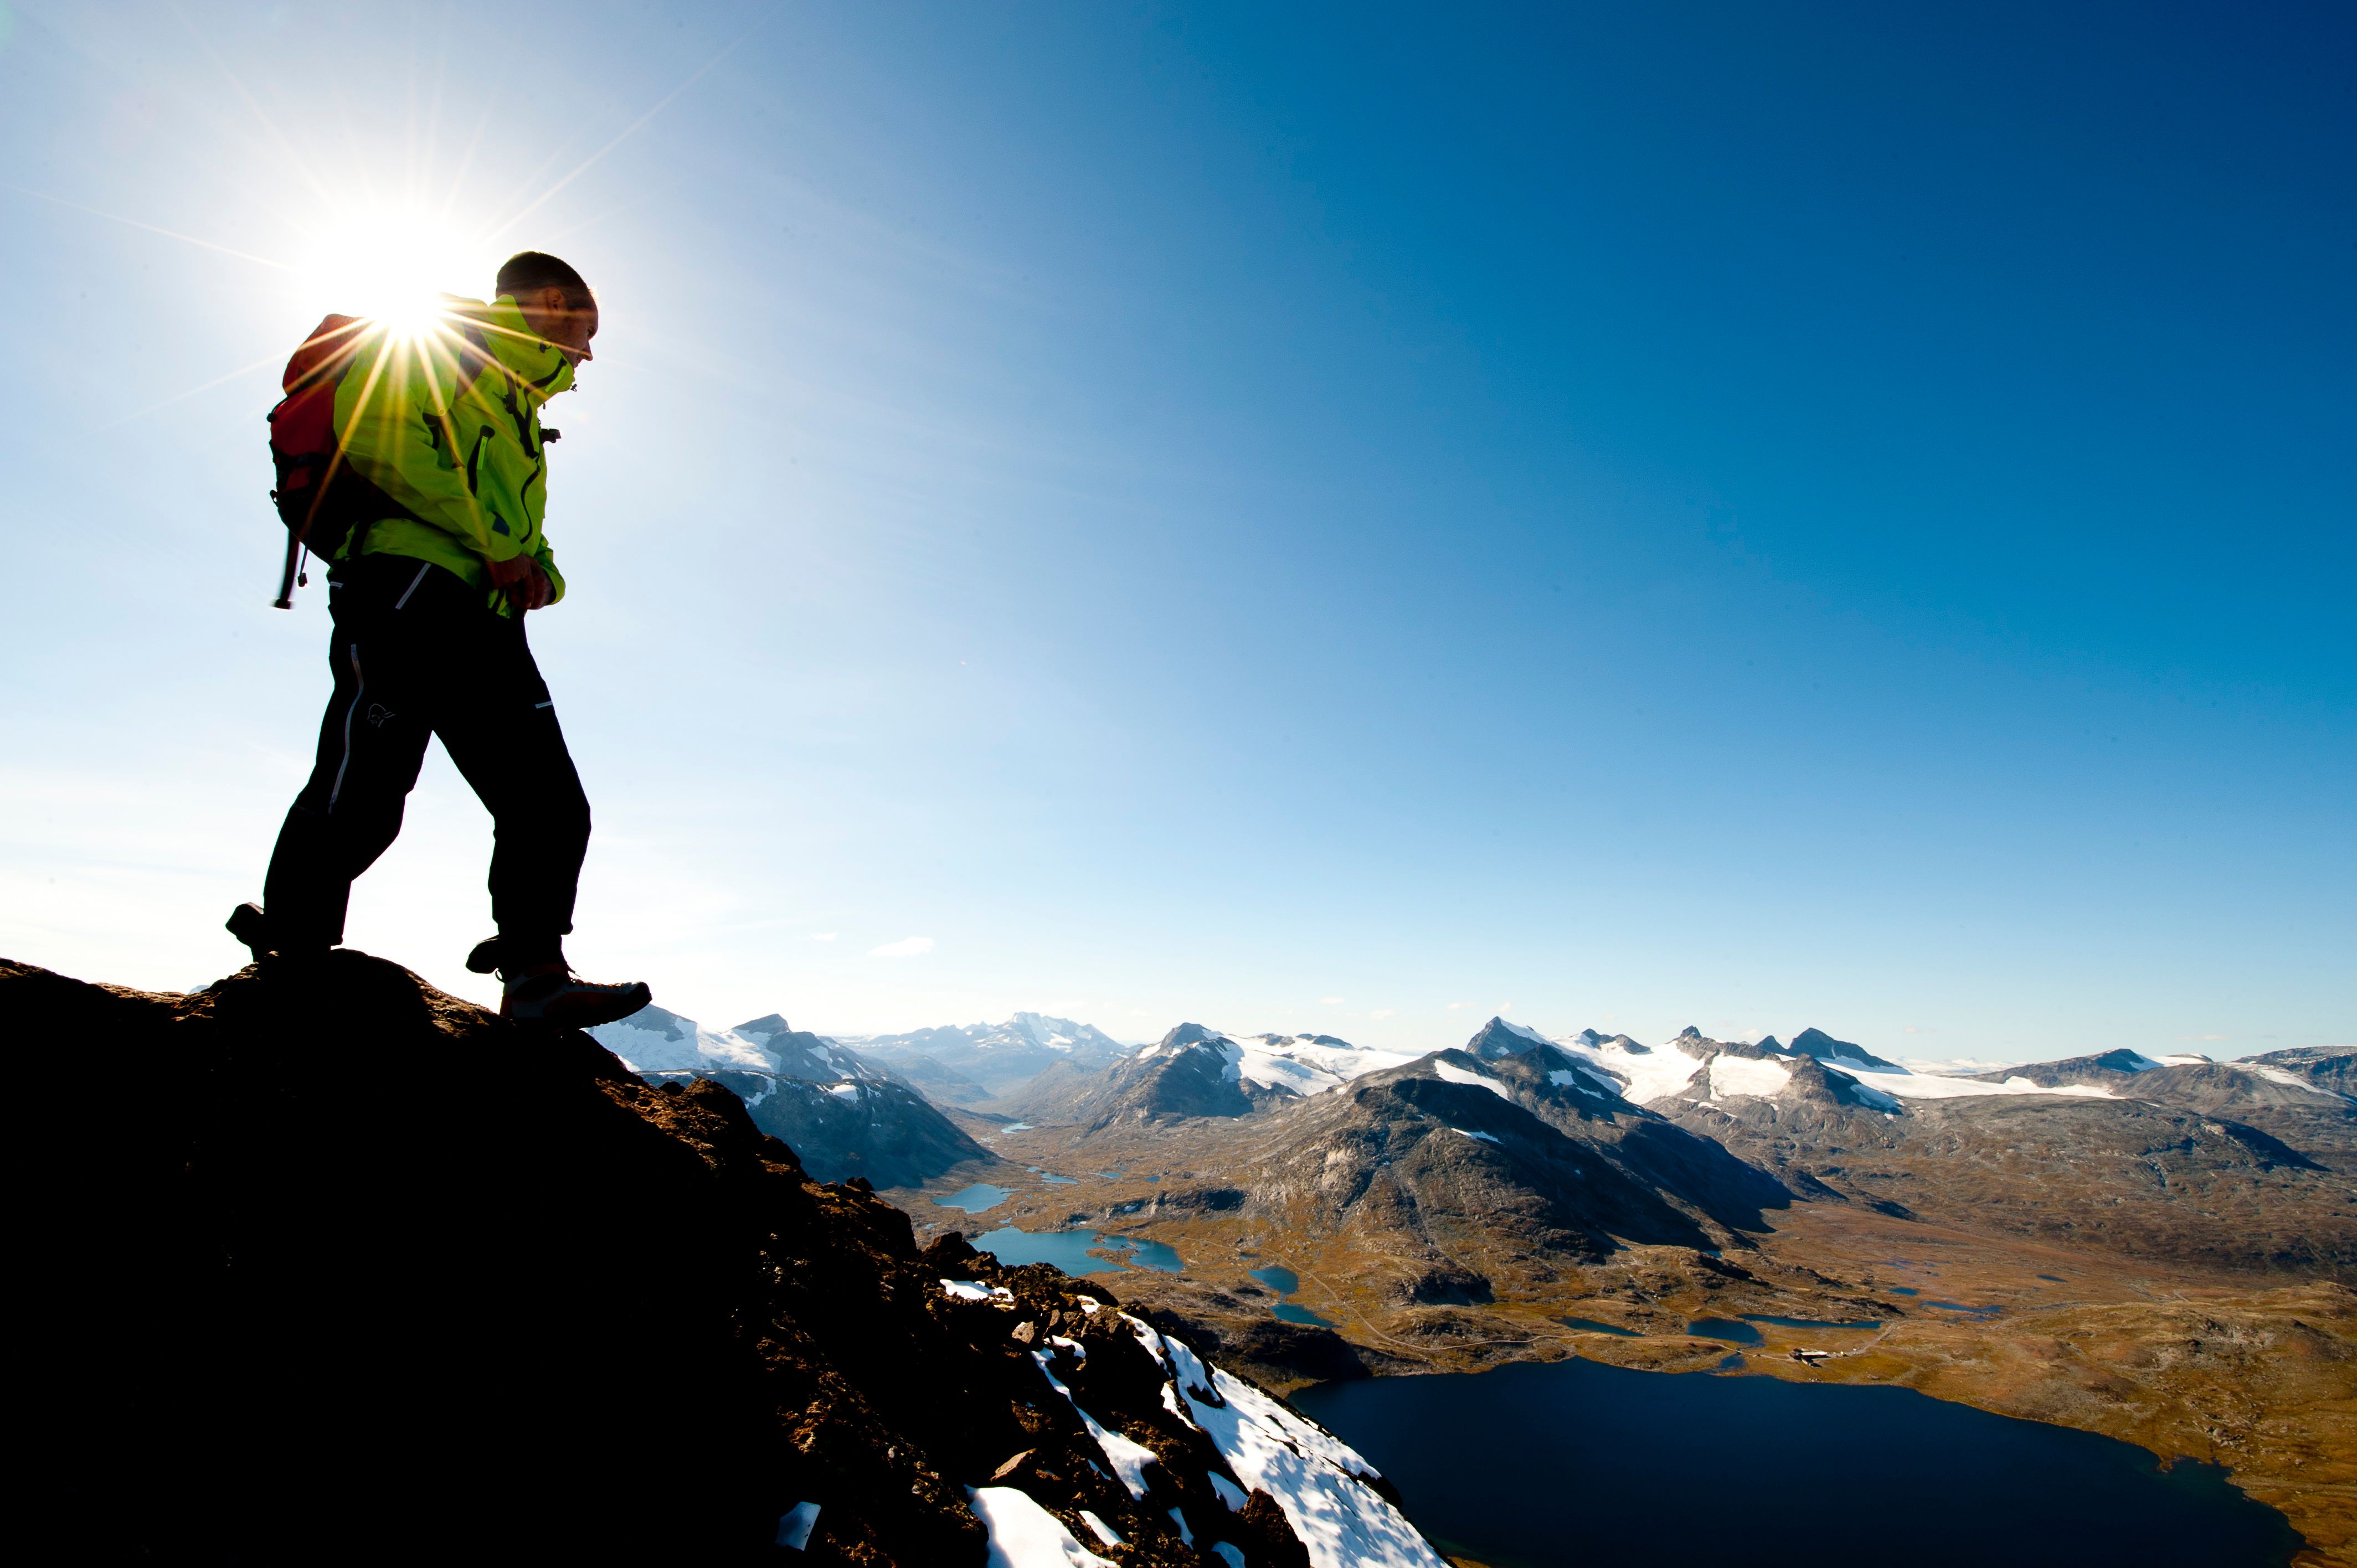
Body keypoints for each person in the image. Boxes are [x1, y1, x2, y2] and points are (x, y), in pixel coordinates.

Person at [229, 251, 651, 1027]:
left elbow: (523, 526)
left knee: (550, 802)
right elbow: (383, 443)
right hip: (404, 587)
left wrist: (541, 575)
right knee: (366, 781)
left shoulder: (519, 405)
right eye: (585, 333)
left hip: (487, 613)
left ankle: (535, 977)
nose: (587, 356)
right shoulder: (433, 343)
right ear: (552, 302)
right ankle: (292, 951)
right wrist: (492, 540)